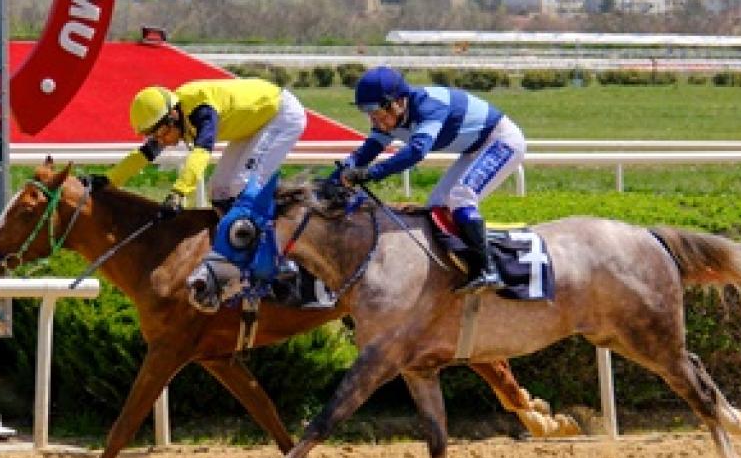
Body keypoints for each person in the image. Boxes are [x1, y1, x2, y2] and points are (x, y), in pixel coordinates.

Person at [106, 76, 333, 308]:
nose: (162, 140)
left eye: (162, 133)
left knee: (241, 183)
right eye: (155, 136)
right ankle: (240, 255)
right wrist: (108, 181)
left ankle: (288, 265)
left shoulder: (201, 110)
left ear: (173, 116)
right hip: (256, 124)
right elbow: (144, 154)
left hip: (281, 116)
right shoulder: (172, 119)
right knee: (220, 189)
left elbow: (200, 156)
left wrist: (178, 193)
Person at [337, 66, 525, 293]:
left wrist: (371, 173)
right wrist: (335, 178)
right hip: (474, 149)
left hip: (502, 141)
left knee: (461, 197)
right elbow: (366, 152)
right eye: (369, 114)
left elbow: (417, 151)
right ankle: (458, 266)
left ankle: (488, 269)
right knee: (436, 205)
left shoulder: (428, 106)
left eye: (379, 112)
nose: (376, 121)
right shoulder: (391, 117)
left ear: (398, 102)